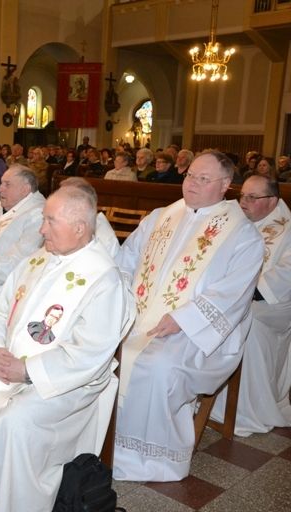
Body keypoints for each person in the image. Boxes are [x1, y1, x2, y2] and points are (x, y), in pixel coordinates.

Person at [0, 185, 132, 512]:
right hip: (9, 363)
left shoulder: (103, 278)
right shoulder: (38, 259)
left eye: (50, 221)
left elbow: (89, 353)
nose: (42, 230)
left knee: (15, 421)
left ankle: (13, 504)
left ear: (79, 228)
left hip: (65, 381)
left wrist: (27, 371)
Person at [114, 150, 264, 482]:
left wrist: (183, 319)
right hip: (138, 318)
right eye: (190, 175)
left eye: (203, 178)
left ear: (225, 185)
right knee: (103, 350)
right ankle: (105, 443)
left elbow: (233, 294)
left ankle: (148, 459)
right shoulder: (160, 216)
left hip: (199, 331)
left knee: (157, 366)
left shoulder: (243, 234)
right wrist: (121, 301)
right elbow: (126, 262)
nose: (192, 183)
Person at [210, 175, 291, 435]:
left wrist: (247, 291)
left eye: (252, 197)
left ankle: (246, 408)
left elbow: (286, 272)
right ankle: (210, 396)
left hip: (275, 303)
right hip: (240, 294)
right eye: (242, 195)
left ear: (273, 201)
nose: (243, 202)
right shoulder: (237, 220)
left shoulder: (287, 228)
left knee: (246, 320)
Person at [0, 164, 46, 288]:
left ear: (25, 189)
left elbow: (19, 261)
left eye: (7, 184)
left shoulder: (38, 215)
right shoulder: (1, 204)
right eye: (1, 183)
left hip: (1, 286)